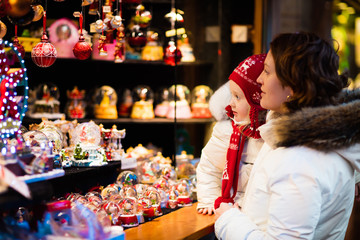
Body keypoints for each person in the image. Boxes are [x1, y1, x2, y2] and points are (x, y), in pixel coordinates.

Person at [214, 32, 360, 239]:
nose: (259, 79)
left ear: (292, 85)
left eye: (266, 71)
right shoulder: (304, 139)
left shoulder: (299, 159)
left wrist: (229, 219)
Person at [196, 54, 267, 215]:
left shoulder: (272, 136)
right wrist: (209, 200)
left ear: (257, 101)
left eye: (238, 97)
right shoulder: (227, 131)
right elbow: (209, 167)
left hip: (255, 215)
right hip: (228, 211)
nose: (230, 103)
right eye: (231, 95)